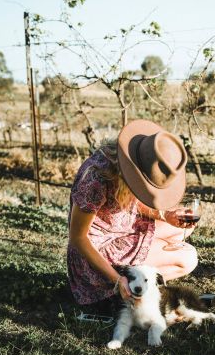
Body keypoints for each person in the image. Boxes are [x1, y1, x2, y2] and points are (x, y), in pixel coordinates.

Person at [67, 119, 198, 306]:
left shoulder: (132, 166)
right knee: (188, 258)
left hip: (123, 226)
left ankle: (142, 269)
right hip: (98, 251)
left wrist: (165, 216)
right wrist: (116, 279)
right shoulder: (95, 179)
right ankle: (125, 285)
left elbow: (135, 201)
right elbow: (78, 238)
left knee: (180, 230)